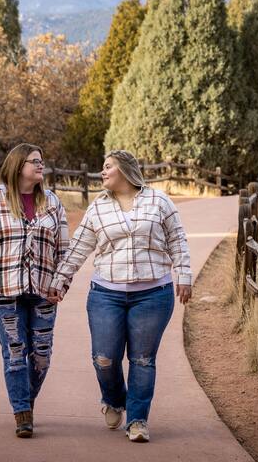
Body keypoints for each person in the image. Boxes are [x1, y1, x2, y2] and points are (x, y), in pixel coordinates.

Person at [47, 150, 192, 443]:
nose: (103, 172)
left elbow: (177, 239)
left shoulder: (159, 201)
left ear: (125, 170)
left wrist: (184, 275)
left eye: (108, 167)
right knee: (104, 358)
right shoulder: (98, 208)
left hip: (153, 294)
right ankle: (113, 399)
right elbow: (78, 248)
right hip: (106, 294)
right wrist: (59, 280)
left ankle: (137, 420)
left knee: (142, 359)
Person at [0, 143, 69, 438]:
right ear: (17, 165)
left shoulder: (52, 202)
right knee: (15, 350)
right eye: (34, 161)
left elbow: (64, 249)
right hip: (2, 288)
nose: (40, 165)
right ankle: (22, 412)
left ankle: (26, 398)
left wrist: (62, 283)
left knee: (42, 354)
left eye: (42, 160)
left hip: (44, 290)